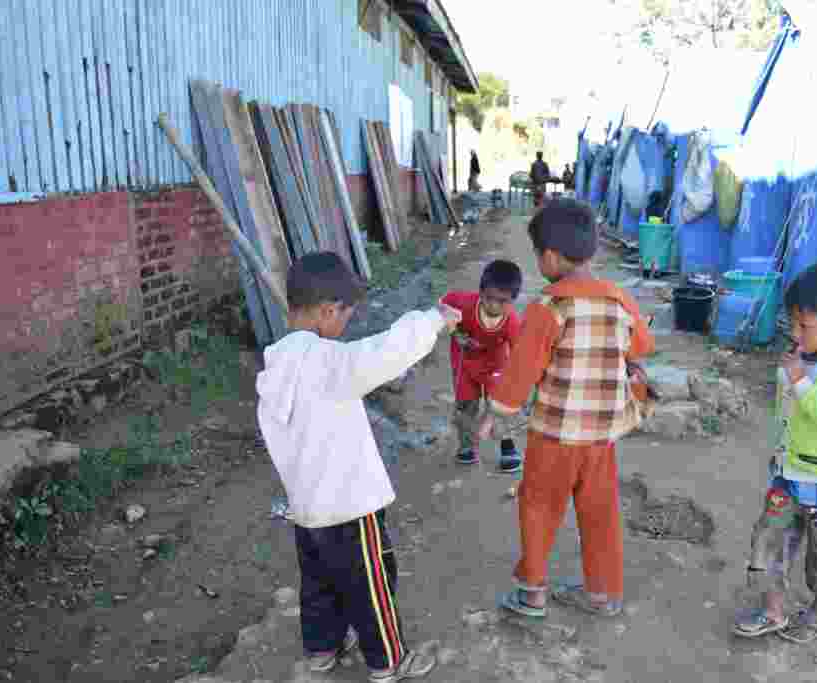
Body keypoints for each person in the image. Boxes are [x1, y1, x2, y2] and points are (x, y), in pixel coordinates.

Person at [256, 252, 461, 681]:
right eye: (345, 317)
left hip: (307, 508)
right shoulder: (329, 363)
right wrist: (433, 319)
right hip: (350, 506)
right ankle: (388, 661)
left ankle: (322, 649)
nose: (345, 327)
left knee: (318, 583)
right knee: (372, 586)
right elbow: (385, 351)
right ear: (328, 311)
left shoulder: (274, 371)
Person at [476, 199, 655, 618]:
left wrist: (495, 413)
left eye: (538, 254)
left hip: (553, 437)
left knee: (539, 508)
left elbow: (521, 372)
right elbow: (642, 346)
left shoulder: (548, 307)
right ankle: (603, 594)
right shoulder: (619, 301)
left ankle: (533, 592)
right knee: (600, 512)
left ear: (551, 256)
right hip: (600, 439)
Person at [732, 262, 817, 644]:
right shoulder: (800, 356)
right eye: (792, 323)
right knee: (770, 539)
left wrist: (801, 383)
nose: (794, 334)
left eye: (804, 327)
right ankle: (773, 610)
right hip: (788, 474)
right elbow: (787, 408)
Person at [441, 260, 525, 473]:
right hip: (464, 360)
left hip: (495, 364)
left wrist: (492, 415)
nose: (494, 305)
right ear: (480, 292)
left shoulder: (512, 323)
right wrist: (454, 332)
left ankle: (508, 447)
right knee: (465, 404)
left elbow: (519, 362)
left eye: (503, 301)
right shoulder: (462, 302)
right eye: (489, 298)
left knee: (501, 400)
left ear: (514, 300)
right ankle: (467, 445)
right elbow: (441, 304)